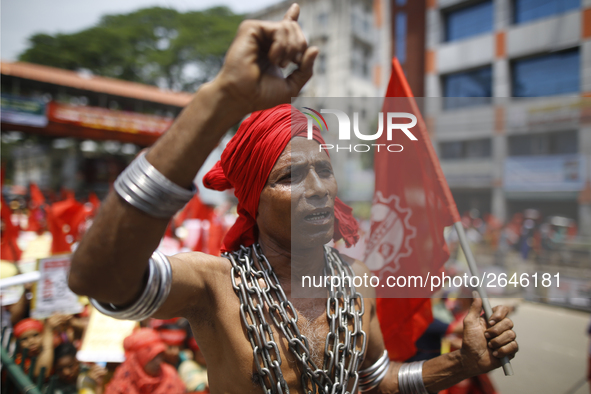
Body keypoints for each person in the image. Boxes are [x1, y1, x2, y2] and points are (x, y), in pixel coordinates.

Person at [69, 4, 518, 393]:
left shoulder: (356, 279)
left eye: (324, 169)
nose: (319, 188)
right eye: (291, 177)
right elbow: (99, 280)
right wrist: (223, 99)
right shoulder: (212, 284)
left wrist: (461, 363)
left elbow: (376, 382)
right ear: (253, 200)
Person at [104, 328, 185, 394]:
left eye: (160, 355)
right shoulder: (123, 380)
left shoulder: (169, 375)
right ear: (138, 359)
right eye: (152, 357)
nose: (158, 362)